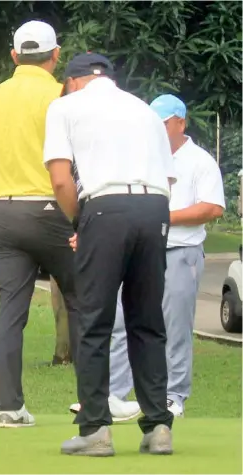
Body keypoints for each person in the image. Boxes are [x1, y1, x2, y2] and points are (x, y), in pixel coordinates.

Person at [42, 52, 177, 456]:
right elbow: (168, 174)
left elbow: (61, 179)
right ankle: (158, 427)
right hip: (155, 207)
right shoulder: (145, 110)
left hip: (106, 206)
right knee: (147, 321)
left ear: (73, 81)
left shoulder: (65, 105)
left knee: (94, 320)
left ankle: (95, 428)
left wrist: (79, 221)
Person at [0, 19, 80, 428]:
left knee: (10, 308)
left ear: (14, 56)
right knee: (84, 300)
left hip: (5, 214)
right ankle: (93, 400)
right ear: (55, 54)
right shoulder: (63, 95)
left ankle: (9, 406)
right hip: (53, 209)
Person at [78, 94, 225, 419]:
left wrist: (160, 217)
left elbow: (212, 207)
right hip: (138, 249)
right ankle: (113, 394)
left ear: (180, 123)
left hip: (179, 250)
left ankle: (173, 396)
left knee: (173, 325)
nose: (155, 131)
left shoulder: (199, 161)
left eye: (162, 125)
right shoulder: (142, 157)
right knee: (118, 321)